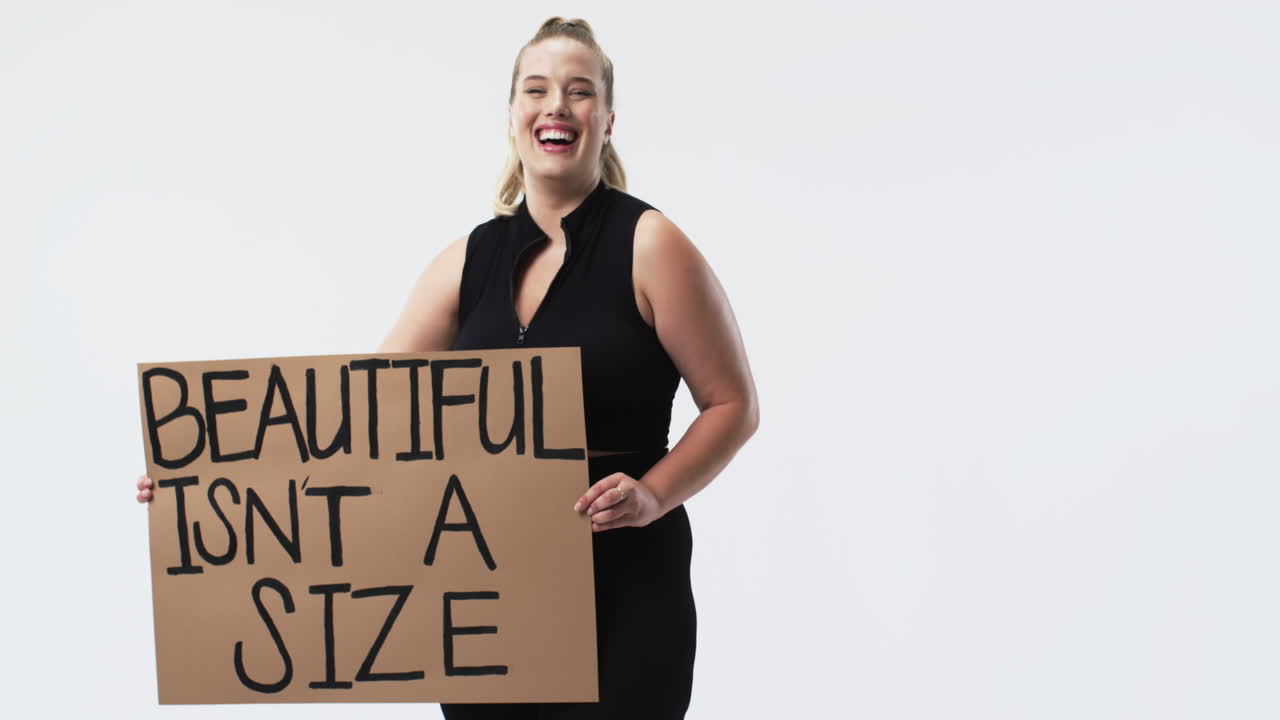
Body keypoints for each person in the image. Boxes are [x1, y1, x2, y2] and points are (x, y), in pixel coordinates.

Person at [136, 16, 758, 720]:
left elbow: (733, 405)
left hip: (623, 589)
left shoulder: (651, 244)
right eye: (537, 89)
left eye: (580, 91)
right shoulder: (467, 262)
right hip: (485, 601)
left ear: (607, 121)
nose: (556, 105)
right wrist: (205, 479)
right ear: (512, 114)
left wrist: (652, 495)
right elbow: (354, 414)